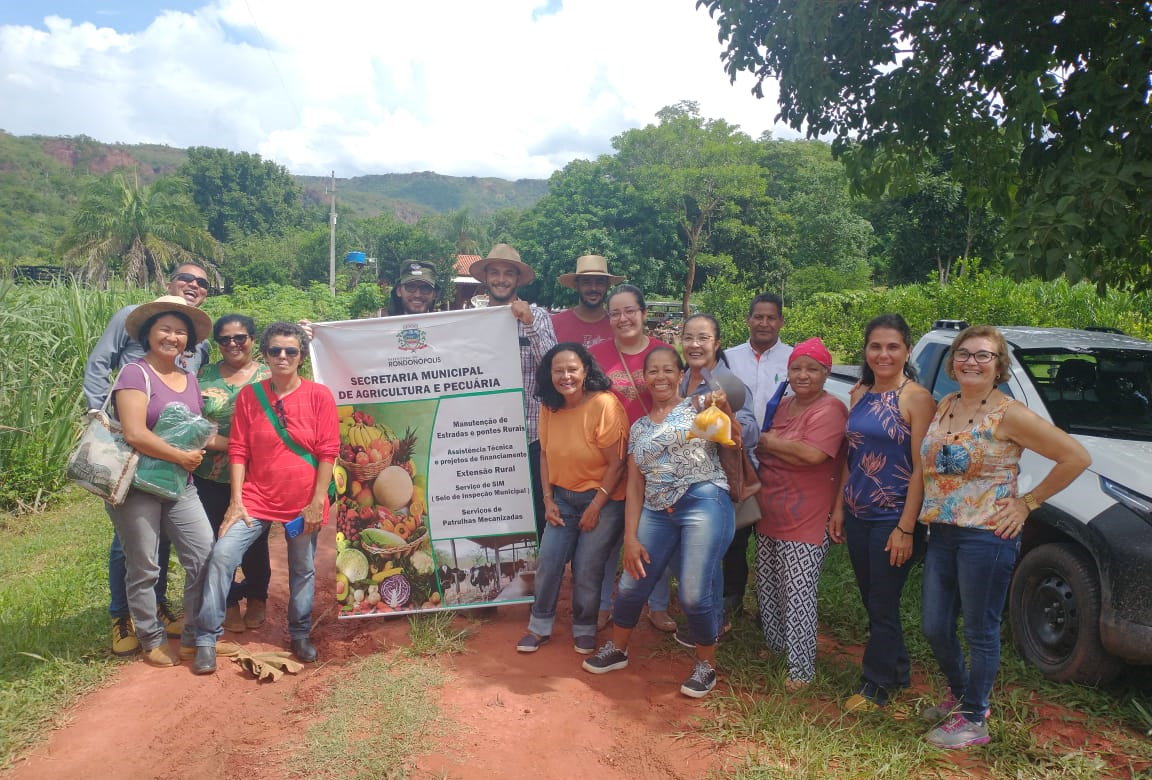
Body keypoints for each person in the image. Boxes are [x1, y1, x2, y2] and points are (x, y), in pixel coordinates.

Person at [917, 326, 1090, 748]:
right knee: (935, 625)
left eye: (984, 355)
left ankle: (974, 718)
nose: (972, 362)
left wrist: (1028, 502)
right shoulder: (946, 404)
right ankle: (961, 693)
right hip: (942, 531)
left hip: (986, 537)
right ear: (953, 361)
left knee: (980, 629)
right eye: (964, 354)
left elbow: (1075, 456)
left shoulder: (1010, 414)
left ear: (999, 366)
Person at [582, 347, 737, 698]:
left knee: (693, 593)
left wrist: (723, 408)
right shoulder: (638, 428)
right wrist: (631, 537)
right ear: (644, 378)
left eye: (668, 370)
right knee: (631, 583)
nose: (660, 377)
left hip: (703, 499)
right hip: (655, 509)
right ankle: (618, 649)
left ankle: (706, 666)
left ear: (681, 374)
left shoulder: (698, 407)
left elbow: (734, 438)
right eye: (653, 371)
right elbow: (635, 485)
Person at [193, 322, 339, 673]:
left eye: (291, 351)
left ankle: (299, 633)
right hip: (256, 498)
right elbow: (239, 450)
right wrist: (236, 501)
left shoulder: (319, 396)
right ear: (265, 355)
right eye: (275, 350)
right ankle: (206, 638)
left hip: (303, 500)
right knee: (222, 556)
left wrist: (317, 501)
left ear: (301, 356)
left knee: (302, 568)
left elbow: (328, 451)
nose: (283, 356)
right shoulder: (250, 396)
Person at [84, 263, 214, 656]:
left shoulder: (190, 378)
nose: (172, 337)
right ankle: (151, 637)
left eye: (180, 332)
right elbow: (136, 433)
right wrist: (182, 456)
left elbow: (192, 428)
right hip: (137, 483)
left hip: (179, 484)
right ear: (148, 334)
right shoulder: (133, 374)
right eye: (165, 329)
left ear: (189, 341)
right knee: (143, 565)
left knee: (204, 555)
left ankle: (195, 634)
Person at [828, 314, 936, 712]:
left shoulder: (917, 398)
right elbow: (852, 456)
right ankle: (898, 671)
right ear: (866, 351)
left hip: (894, 516)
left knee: (883, 601)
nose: (883, 354)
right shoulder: (861, 394)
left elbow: (922, 467)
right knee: (873, 599)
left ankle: (875, 685)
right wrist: (839, 508)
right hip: (859, 512)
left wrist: (906, 528)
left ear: (907, 351)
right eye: (876, 346)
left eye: (893, 346)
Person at [517, 343, 628, 655]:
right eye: (558, 371)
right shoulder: (549, 406)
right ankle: (539, 626)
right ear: (549, 374)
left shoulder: (604, 404)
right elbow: (545, 456)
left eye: (572, 369)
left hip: (603, 498)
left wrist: (595, 506)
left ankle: (584, 627)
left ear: (586, 370)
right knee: (549, 559)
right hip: (563, 498)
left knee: (587, 564)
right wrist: (548, 500)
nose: (565, 376)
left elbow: (617, 464)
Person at [753, 337, 847, 691]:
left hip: (808, 514)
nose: (803, 375)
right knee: (769, 584)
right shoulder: (781, 404)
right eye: (796, 368)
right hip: (770, 508)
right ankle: (778, 648)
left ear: (826, 373)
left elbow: (812, 455)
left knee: (798, 592)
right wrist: (785, 448)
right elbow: (790, 451)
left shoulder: (831, 409)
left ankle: (801, 668)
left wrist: (767, 442)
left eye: (812, 369)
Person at [589, 285, 676, 632]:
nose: (623, 318)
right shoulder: (595, 355)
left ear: (643, 314)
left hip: (655, 460)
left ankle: (657, 605)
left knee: (653, 534)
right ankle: (601, 605)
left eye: (630, 311)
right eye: (615, 313)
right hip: (609, 461)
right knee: (607, 537)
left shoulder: (663, 352)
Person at [672, 313, 759, 646]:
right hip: (684, 482)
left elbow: (750, 433)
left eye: (703, 338)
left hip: (715, 484)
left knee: (709, 556)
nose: (694, 345)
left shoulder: (726, 383)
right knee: (694, 554)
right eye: (688, 337)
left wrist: (716, 418)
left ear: (717, 343)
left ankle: (715, 623)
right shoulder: (681, 379)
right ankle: (706, 618)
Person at [472, 244, 557, 539]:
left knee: (535, 512)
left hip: (530, 436)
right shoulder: (469, 322)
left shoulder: (538, 316)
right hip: (484, 437)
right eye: (494, 273)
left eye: (508, 273)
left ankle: (538, 568)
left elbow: (553, 368)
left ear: (518, 279)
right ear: (486, 278)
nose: (501, 279)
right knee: (491, 509)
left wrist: (529, 323)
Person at [193, 314, 271, 633]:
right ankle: (226, 601)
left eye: (240, 338)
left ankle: (257, 596)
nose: (233, 344)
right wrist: (235, 445)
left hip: (257, 475)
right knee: (215, 539)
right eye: (225, 339)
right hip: (210, 475)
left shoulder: (270, 374)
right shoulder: (203, 376)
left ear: (252, 339)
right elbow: (194, 426)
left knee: (254, 539)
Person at [721, 293, 792, 621]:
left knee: (773, 535)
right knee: (735, 534)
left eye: (771, 317)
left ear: (781, 321)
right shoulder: (729, 358)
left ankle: (772, 607)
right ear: (748, 319)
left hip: (781, 461)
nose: (764, 323)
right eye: (758, 317)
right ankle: (731, 598)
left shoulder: (793, 359)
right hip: (737, 459)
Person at [550, 254, 625, 348]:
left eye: (600, 282)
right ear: (576, 286)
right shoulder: (554, 324)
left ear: (608, 285)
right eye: (586, 282)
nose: (593, 288)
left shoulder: (619, 324)